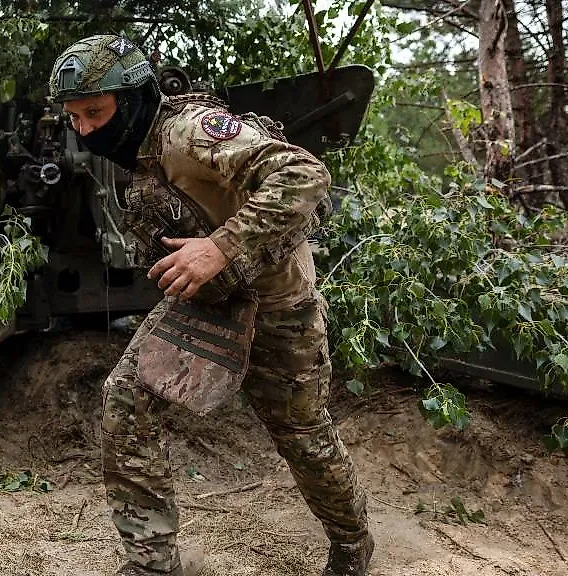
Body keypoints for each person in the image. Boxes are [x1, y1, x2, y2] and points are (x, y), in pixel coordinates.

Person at [46, 35, 374, 576]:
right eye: (74, 117)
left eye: (95, 113)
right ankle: (152, 563)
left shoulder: (187, 133)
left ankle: (351, 544)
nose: (84, 129)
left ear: (132, 100)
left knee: (303, 436)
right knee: (126, 400)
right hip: (204, 304)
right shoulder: (138, 150)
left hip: (277, 306)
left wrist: (220, 247)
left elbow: (304, 174)